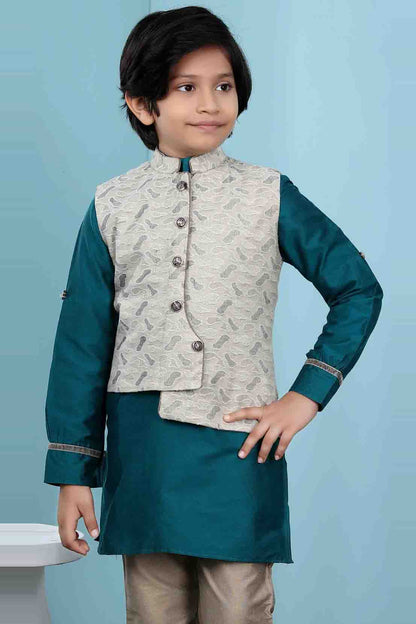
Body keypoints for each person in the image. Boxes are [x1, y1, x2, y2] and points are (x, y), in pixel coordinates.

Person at [43, 6, 383, 623]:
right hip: (144, 454)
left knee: (239, 609)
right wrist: (74, 473)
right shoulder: (111, 206)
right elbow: (82, 344)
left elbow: (358, 290)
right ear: (142, 104)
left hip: (239, 446)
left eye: (223, 86)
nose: (210, 104)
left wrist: (305, 397)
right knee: (153, 613)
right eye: (186, 88)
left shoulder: (268, 194)